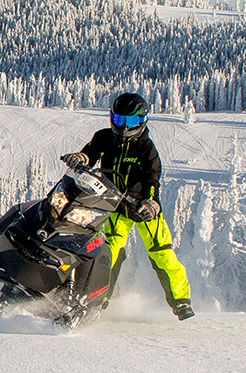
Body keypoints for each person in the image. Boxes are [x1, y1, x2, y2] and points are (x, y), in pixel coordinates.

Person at [62, 92, 195, 320]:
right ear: (112, 118)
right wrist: (81, 158)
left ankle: (181, 301)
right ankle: (97, 300)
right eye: (120, 120)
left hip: (143, 207)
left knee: (162, 253)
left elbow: (153, 180)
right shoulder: (104, 137)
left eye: (131, 122)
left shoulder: (147, 149)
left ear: (143, 121)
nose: (124, 127)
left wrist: (151, 202)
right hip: (115, 206)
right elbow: (90, 153)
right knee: (107, 251)